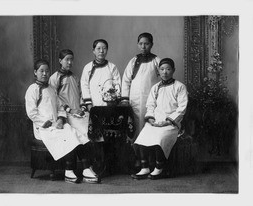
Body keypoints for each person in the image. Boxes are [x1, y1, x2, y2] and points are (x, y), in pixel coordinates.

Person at [25, 59, 99, 184]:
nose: (44, 74)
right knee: (68, 136)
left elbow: (60, 107)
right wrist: (50, 123)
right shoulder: (33, 89)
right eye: (41, 71)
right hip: (43, 128)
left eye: (47, 71)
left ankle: (86, 168)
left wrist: (60, 119)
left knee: (77, 134)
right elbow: (32, 113)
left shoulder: (51, 89)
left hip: (57, 125)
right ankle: (68, 171)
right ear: (35, 72)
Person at [131, 58, 188, 180]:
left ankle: (158, 167)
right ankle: (144, 167)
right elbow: (150, 105)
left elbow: (182, 108)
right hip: (155, 122)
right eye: (162, 69)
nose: (165, 72)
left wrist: (168, 121)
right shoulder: (155, 88)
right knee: (142, 137)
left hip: (171, 123)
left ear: (173, 70)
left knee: (159, 138)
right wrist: (151, 119)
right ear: (158, 71)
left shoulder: (180, 87)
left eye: (168, 69)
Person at [80, 39, 121, 175]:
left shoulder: (112, 67)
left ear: (107, 50)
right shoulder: (88, 68)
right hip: (94, 107)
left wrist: (113, 99)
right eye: (98, 48)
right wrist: (89, 104)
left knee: (108, 135)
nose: (101, 51)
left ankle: (109, 166)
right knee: (96, 136)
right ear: (93, 51)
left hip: (109, 107)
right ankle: (97, 165)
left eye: (104, 48)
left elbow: (118, 84)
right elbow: (84, 86)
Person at [121, 32, 161, 171]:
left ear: (151, 44)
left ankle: (150, 160)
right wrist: (125, 99)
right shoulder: (134, 61)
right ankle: (138, 159)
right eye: (141, 44)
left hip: (150, 102)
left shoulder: (156, 61)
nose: (143, 46)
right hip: (135, 101)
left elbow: (162, 80)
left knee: (149, 128)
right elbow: (126, 80)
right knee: (135, 128)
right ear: (138, 45)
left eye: (147, 43)